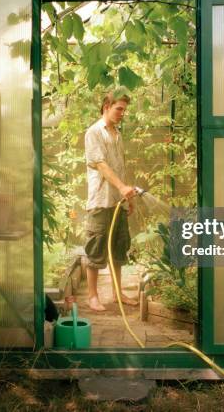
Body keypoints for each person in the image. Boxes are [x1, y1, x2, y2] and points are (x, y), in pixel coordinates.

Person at [84, 88, 139, 312]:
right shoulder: (94, 133)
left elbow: (119, 168)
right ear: (106, 107)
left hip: (118, 202)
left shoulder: (117, 134)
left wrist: (127, 197)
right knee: (95, 249)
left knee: (119, 249)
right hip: (100, 201)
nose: (122, 113)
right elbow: (101, 165)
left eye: (124, 110)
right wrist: (122, 187)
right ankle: (92, 296)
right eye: (119, 109)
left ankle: (117, 293)